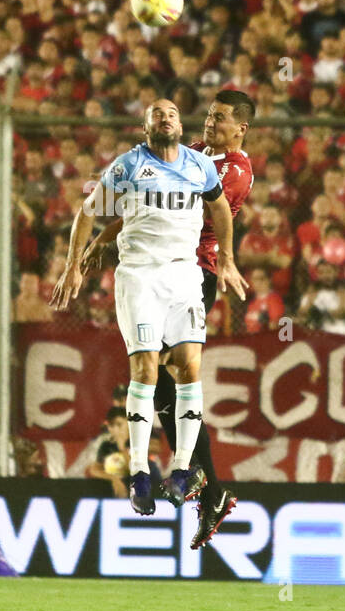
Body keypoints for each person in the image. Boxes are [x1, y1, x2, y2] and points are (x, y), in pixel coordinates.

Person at [52, 98, 247, 523]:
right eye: (157, 115)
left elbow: (220, 210)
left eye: (173, 113)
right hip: (139, 276)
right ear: (146, 129)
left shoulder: (203, 166)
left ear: (179, 123)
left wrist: (228, 258)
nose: (166, 118)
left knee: (188, 368)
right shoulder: (127, 166)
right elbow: (87, 213)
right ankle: (140, 471)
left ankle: (181, 471)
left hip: (185, 277)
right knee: (146, 371)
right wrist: (73, 265)